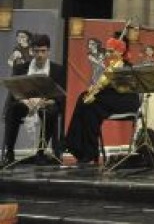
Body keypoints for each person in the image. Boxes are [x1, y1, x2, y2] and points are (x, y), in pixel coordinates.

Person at [65, 36, 140, 165]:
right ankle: (76, 146)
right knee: (84, 99)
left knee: (92, 105)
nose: (108, 54)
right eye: (108, 51)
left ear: (120, 52)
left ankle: (87, 151)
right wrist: (94, 89)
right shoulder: (110, 66)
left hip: (125, 101)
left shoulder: (127, 67)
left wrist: (101, 88)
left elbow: (125, 89)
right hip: (112, 99)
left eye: (111, 51)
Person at [1, 34, 66, 167]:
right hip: (25, 103)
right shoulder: (20, 68)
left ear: (48, 51)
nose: (40, 55)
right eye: (36, 51)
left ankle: (41, 152)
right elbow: (14, 92)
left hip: (46, 104)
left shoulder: (58, 70)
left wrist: (47, 102)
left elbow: (60, 96)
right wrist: (25, 101)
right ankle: (9, 153)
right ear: (32, 51)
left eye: (43, 51)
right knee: (13, 109)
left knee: (51, 111)